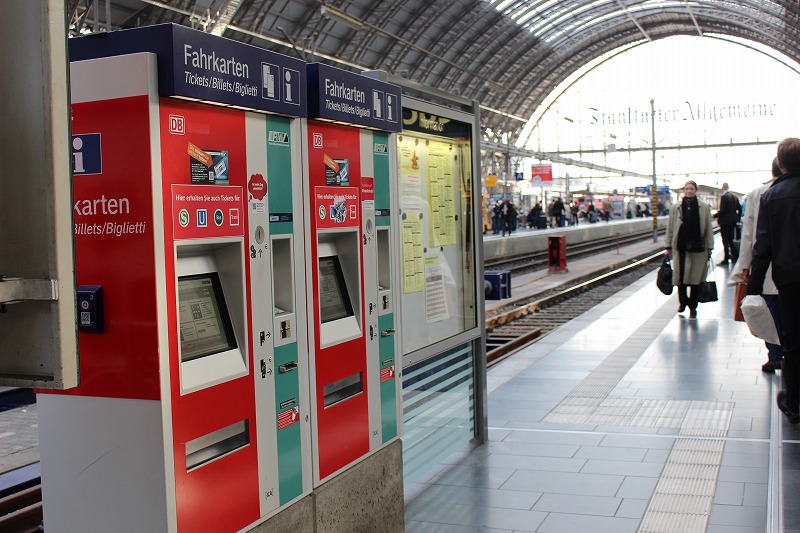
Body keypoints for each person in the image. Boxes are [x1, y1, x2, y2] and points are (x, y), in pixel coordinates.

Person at [748, 138, 800, 423]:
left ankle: (794, 402)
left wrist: (753, 288)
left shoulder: (772, 195)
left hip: (790, 279)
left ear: (780, 164)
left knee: (792, 341)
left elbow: (762, 246)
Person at [731, 159, 782, 373]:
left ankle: (775, 355)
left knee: (767, 314)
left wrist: (745, 265)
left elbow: (749, 234)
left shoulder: (758, 194)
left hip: (766, 267)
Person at [664, 180, 714, 318]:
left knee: (696, 279)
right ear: (683, 190)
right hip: (681, 247)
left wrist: (710, 246)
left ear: (695, 190)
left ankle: (693, 306)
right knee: (680, 278)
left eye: (691, 189)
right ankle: (682, 303)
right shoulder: (676, 208)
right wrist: (668, 245)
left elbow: (708, 228)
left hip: (698, 247)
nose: (689, 191)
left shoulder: (703, 208)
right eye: (687, 188)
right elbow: (670, 228)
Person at [713, 182, 742, 266]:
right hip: (732, 222)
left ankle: (726, 258)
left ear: (723, 188)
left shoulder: (724, 197)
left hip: (725, 223)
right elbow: (739, 209)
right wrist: (737, 219)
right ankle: (736, 257)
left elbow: (722, 211)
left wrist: (714, 216)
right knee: (730, 240)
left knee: (725, 241)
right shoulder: (734, 197)